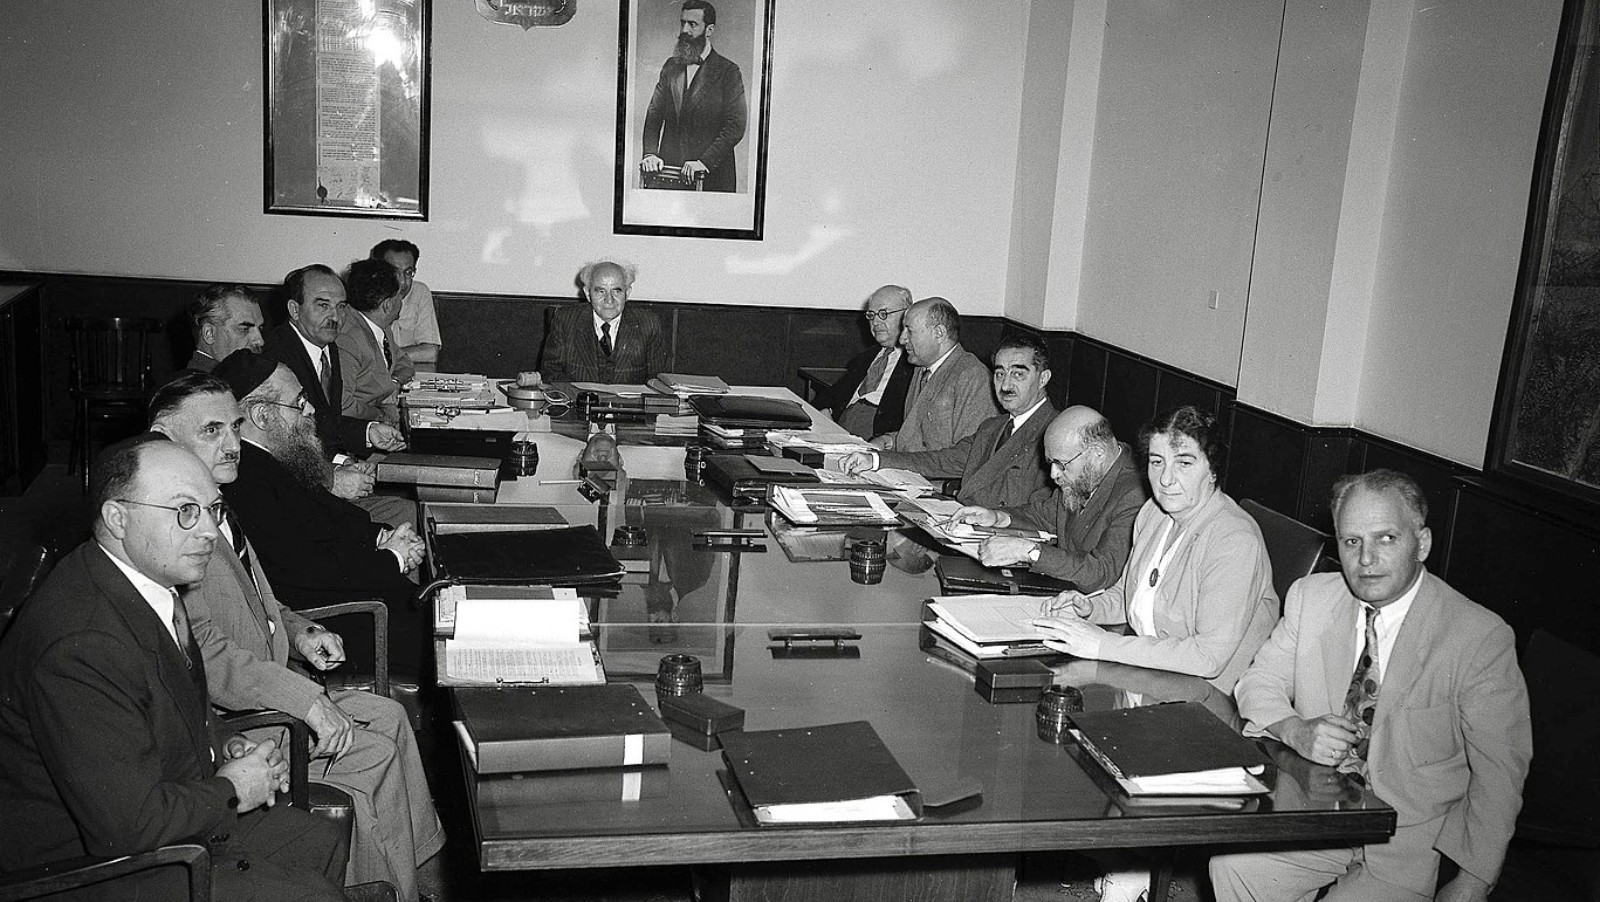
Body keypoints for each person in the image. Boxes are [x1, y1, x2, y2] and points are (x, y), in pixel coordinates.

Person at [0, 435, 348, 901]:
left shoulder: (149, 584)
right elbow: (128, 828)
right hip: (100, 870)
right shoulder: (81, 645)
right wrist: (231, 788)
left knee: (319, 839)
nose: (207, 531)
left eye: (212, 510)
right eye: (185, 511)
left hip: (164, 815)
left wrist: (227, 744)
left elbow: (170, 707)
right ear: (117, 518)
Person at [149, 372, 445, 901]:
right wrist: (307, 700)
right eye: (212, 431)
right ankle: (387, 889)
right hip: (240, 718)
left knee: (392, 716)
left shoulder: (219, 502)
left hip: (275, 677)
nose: (233, 444)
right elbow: (210, 657)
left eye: (235, 427)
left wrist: (298, 627)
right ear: (164, 439)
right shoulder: (174, 532)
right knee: (372, 752)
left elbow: (263, 598)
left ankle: (422, 871)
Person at [1210, 470, 1531, 902]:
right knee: (1233, 868)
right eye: (1352, 541)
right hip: (1323, 811)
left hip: (1410, 843)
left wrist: (1474, 881)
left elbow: (1500, 777)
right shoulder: (1312, 597)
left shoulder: (1477, 637)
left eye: (1386, 539)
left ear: (1422, 543)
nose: (1365, 560)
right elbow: (1258, 681)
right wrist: (1295, 729)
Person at [1029, 405, 1276, 690]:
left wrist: (1103, 644)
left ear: (1213, 470)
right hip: (1148, 678)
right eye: (1157, 462)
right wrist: (1087, 609)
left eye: (1184, 463)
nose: (1166, 479)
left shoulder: (1234, 540)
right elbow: (1128, 597)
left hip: (1206, 701)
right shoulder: (1153, 513)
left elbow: (1208, 658)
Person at [213, 351, 428, 677]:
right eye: (299, 403)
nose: (310, 409)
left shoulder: (272, 459)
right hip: (342, 621)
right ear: (262, 415)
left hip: (361, 598)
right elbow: (303, 570)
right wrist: (391, 559)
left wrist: (381, 536)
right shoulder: (245, 480)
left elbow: (327, 516)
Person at [264, 264, 413, 528]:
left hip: (323, 475)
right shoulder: (276, 358)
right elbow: (280, 447)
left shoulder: (326, 348)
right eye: (323, 305)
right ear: (294, 310)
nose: (335, 316)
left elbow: (324, 423)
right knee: (406, 516)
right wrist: (336, 472)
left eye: (341, 307)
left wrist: (367, 433)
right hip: (293, 501)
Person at [842, 331, 1058, 509]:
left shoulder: (1054, 434)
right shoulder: (993, 428)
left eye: (1018, 374)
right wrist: (876, 460)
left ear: (1043, 378)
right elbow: (941, 460)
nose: (1006, 385)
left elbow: (1045, 515)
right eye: (1000, 374)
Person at [950, 405, 1145, 592]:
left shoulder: (1136, 494)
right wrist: (996, 517)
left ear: (1097, 454)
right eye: (1051, 463)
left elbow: (1102, 572)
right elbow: (1045, 515)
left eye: (1060, 464)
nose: (1053, 474)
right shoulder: (1085, 474)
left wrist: (1029, 552)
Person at [639, 0, 746, 192]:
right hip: (670, 174)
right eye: (682, 23)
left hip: (712, 176)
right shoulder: (671, 66)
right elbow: (654, 114)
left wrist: (704, 162)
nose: (685, 30)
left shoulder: (728, 71)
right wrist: (650, 154)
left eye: (692, 24)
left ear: (709, 29)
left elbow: (735, 125)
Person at [877, 296, 998, 453]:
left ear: (939, 333)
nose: (901, 339)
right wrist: (889, 441)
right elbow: (918, 436)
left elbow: (966, 456)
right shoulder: (922, 369)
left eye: (909, 331)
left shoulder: (974, 378)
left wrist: (890, 460)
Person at [813, 285, 916, 441]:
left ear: (906, 316)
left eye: (884, 314)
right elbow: (830, 396)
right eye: (871, 315)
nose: (875, 322)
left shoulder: (915, 361)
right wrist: (825, 410)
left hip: (878, 438)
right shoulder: (866, 358)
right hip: (838, 432)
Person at [541, 259, 668, 384]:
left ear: (627, 293)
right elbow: (551, 374)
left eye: (616, 291)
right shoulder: (565, 320)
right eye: (600, 291)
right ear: (587, 293)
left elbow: (658, 380)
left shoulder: (648, 324)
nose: (609, 300)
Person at [337, 258, 414, 426]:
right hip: (358, 431)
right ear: (387, 305)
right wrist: (381, 415)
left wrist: (394, 383)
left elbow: (404, 363)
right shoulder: (348, 339)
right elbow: (343, 406)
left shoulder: (381, 326)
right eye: (400, 296)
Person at [371, 238, 441, 371]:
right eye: (395, 273)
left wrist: (385, 356)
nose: (402, 282)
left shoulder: (420, 292)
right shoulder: (364, 295)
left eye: (408, 273)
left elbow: (430, 353)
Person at [187, 283, 266, 371]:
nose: (260, 341)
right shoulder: (200, 383)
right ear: (209, 334)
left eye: (260, 329)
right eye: (244, 329)